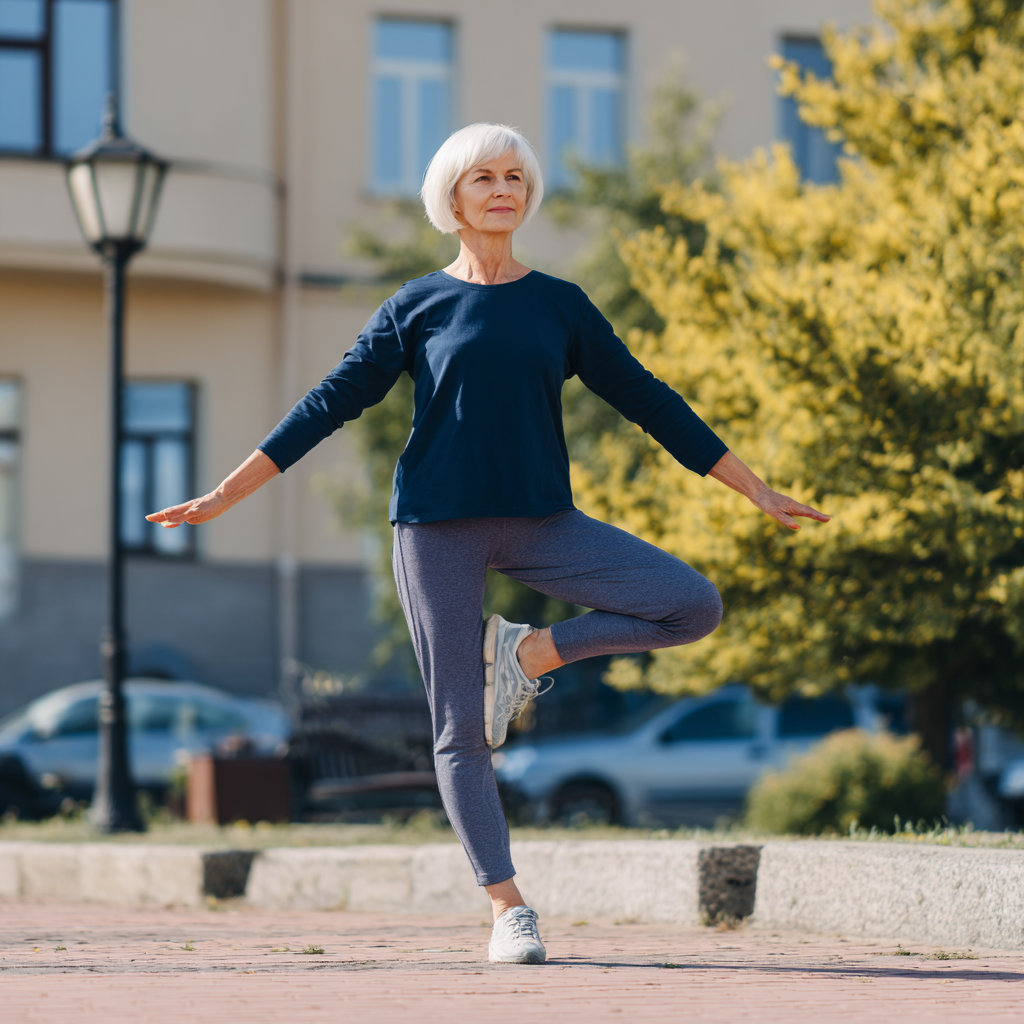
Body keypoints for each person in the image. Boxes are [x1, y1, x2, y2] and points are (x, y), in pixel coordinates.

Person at [147, 122, 829, 964]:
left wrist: (752, 486)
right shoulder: (416, 306)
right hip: (436, 528)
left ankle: (527, 654)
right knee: (459, 727)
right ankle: (508, 907)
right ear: (453, 197)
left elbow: (648, 400)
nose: (503, 189)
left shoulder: (560, 305)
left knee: (691, 605)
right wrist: (226, 492)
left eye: (515, 177)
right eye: (484, 178)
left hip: (545, 523)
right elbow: (330, 402)